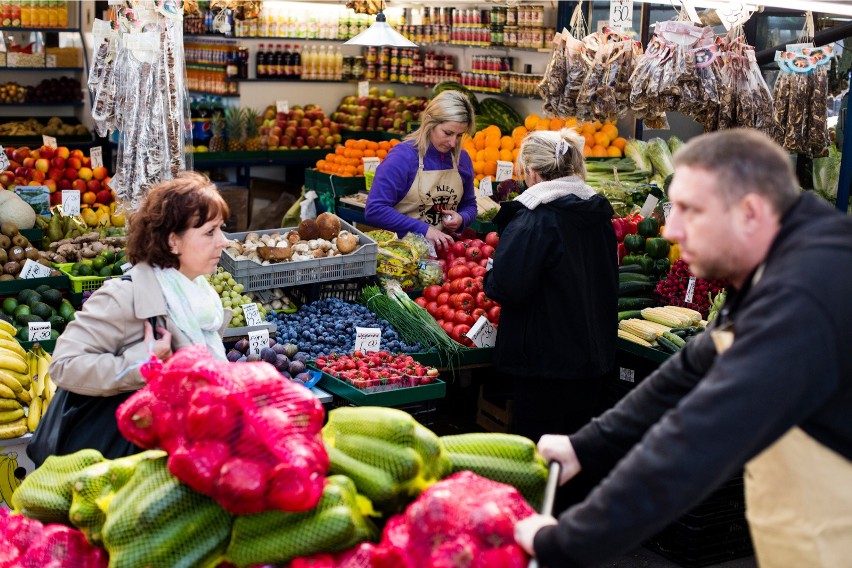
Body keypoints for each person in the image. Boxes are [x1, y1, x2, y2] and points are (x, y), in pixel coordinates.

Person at [514, 128, 852, 567]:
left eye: (690, 210)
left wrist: (566, 543)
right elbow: (694, 367)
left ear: (749, 212)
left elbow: (697, 439)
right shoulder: (788, 254)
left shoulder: (805, 293)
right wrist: (586, 446)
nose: (670, 229)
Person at [32, 171, 231, 463]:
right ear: (173, 241)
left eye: (221, 229)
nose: (223, 241)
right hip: (113, 466)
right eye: (210, 232)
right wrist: (141, 363)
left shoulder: (200, 299)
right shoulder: (125, 297)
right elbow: (64, 365)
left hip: (170, 459)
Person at [483, 128, 618, 445]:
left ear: (531, 171)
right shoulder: (597, 214)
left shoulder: (535, 220)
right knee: (578, 453)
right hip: (591, 356)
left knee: (541, 454)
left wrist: (492, 272)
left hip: (544, 363)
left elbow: (507, 287)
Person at [364, 90, 477, 252]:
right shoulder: (402, 158)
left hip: (443, 258)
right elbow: (375, 210)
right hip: (399, 258)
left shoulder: (461, 159)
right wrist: (424, 229)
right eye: (448, 133)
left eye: (459, 135)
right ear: (429, 122)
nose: (453, 143)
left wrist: (462, 218)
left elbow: (470, 205)